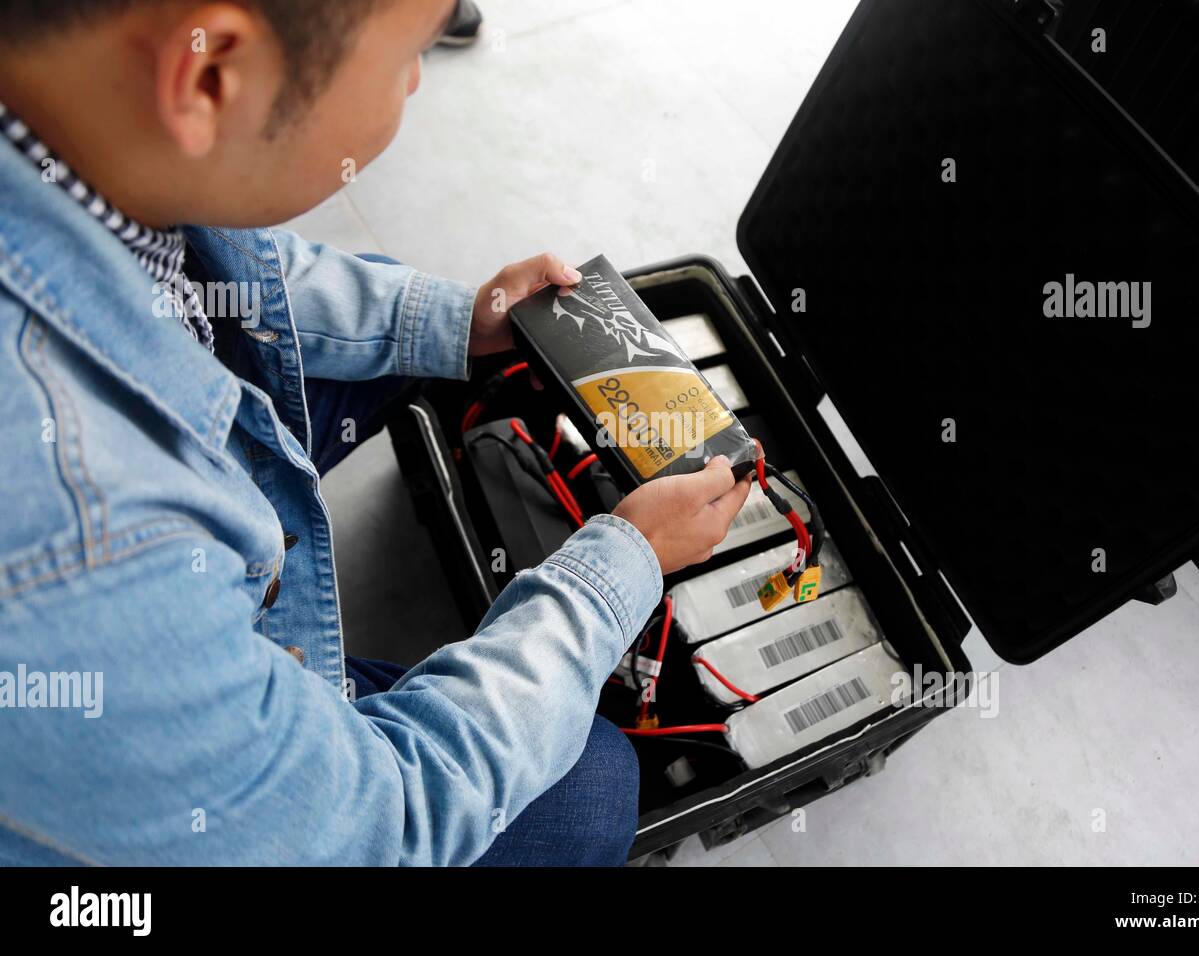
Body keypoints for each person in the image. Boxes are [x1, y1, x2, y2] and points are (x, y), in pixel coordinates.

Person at [0, 0, 752, 867]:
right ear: (211, 77)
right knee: (589, 789)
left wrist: (452, 320)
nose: (420, 79)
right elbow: (383, 830)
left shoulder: (83, 119)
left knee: (398, 325)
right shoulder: (87, 555)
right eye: (409, 55)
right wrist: (617, 567)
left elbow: (231, 263)